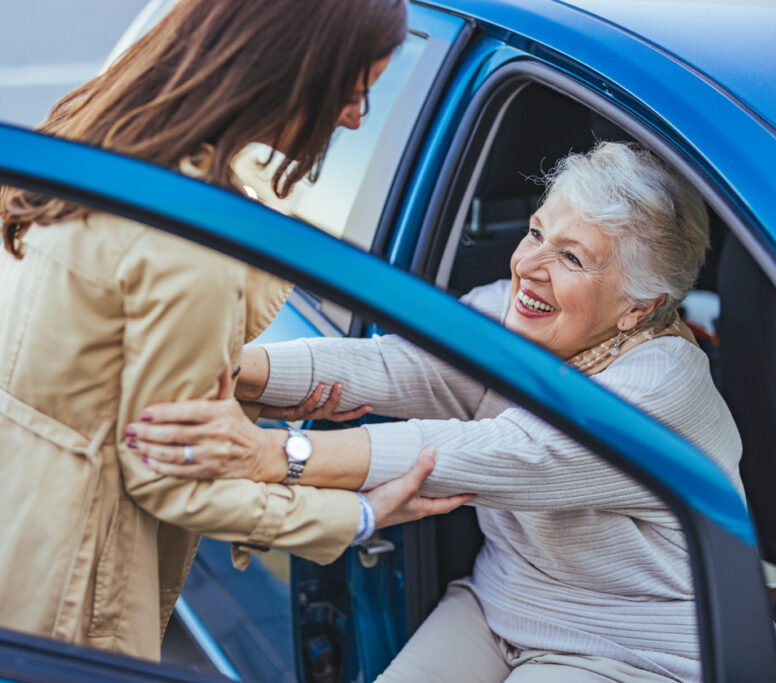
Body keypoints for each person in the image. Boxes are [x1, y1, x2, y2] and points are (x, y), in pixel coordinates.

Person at [0, 0, 468, 663]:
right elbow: (171, 480)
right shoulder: (193, 234)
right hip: (58, 581)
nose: (357, 116)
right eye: (353, 89)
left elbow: (86, 357)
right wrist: (361, 514)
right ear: (290, 65)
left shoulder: (102, 129)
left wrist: (245, 392)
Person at [127, 141, 745, 682]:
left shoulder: (665, 383)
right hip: (499, 602)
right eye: (535, 233)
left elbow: (486, 454)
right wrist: (235, 369)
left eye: (572, 259)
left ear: (639, 307)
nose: (528, 266)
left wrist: (275, 453)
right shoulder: (514, 308)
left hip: (627, 651)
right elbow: (400, 366)